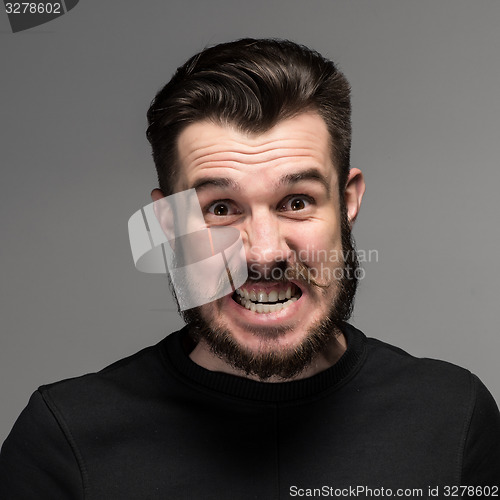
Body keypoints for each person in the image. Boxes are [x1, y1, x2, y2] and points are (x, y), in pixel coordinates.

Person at [1, 38, 499, 499]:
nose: (262, 254)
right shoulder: (64, 440)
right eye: (220, 209)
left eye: (297, 201)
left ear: (347, 202)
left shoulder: (453, 418)